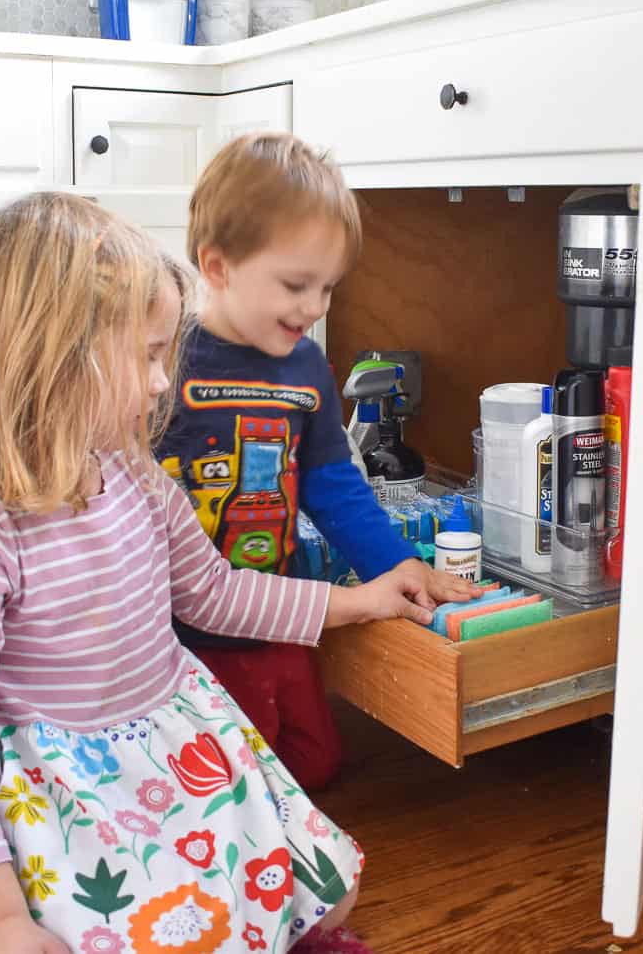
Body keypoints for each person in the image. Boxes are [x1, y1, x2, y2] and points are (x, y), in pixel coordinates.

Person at [0, 192, 432, 953]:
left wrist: (357, 602)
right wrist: (2, 926)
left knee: (331, 894)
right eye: (148, 355)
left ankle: (8, 882)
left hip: (172, 739)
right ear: (51, 358)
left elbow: (215, 592)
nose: (163, 384)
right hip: (65, 780)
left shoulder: (132, 473)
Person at [156, 133, 480, 791]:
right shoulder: (166, 359)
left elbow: (333, 482)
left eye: (328, 287)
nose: (317, 307)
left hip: (281, 602)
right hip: (177, 625)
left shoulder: (305, 365)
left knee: (314, 760)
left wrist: (397, 565)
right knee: (224, 779)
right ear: (216, 267)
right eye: (297, 285)